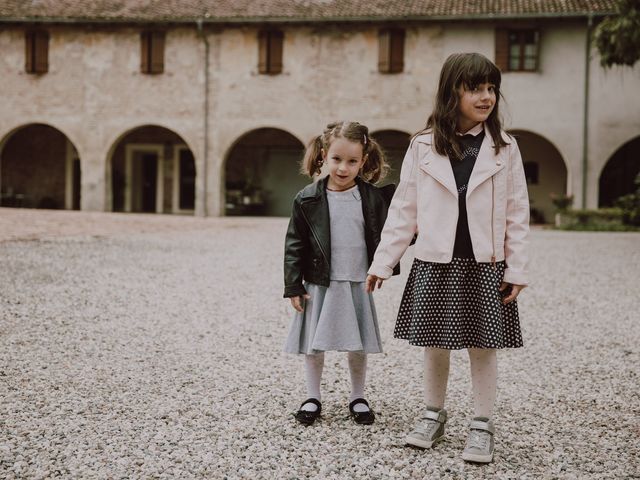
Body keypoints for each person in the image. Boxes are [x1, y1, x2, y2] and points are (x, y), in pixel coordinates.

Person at [366, 52, 530, 463]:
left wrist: (517, 267)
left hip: (485, 264)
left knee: (483, 346)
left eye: (492, 88)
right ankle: (432, 415)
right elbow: (405, 208)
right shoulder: (422, 145)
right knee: (435, 345)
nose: (486, 96)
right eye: (475, 87)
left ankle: (481, 424)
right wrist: (383, 261)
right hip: (436, 262)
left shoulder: (505, 148)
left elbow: (517, 212)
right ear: (451, 91)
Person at [283, 121, 398, 426]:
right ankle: (312, 396)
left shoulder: (373, 198)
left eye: (352, 161)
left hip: (357, 280)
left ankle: (358, 396)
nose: (343, 168)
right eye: (336, 159)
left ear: (364, 161)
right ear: (323, 155)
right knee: (313, 341)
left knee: (357, 341)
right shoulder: (306, 198)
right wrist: (293, 284)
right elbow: (294, 243)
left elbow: (392, 234)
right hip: (319, 280)